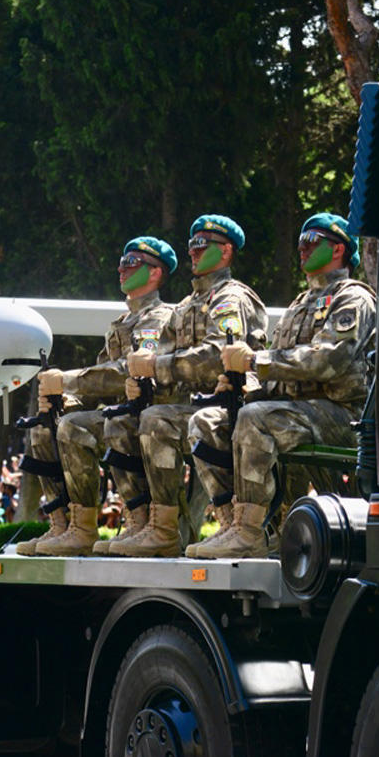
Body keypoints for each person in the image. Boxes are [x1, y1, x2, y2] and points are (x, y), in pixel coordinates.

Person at [187, 212, 377, 558]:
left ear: (338, 250)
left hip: (343, 416)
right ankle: (237, 522)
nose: (301, 249)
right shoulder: (300, 304)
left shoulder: (353, 299)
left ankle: (249, 530)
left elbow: (327, 361)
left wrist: (253, 362)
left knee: (257, 419)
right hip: (297, 413)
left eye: (310, 242)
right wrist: (245, 385)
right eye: (300, 243)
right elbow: (277, 368)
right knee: (207, 422)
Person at [105, 214, 267, 557]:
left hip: (232, 405)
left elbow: (216, 354)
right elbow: (155, 353)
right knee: (132, 420)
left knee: (181, 421)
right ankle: (158, 528)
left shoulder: (229, 299)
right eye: (191, 244)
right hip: (196, 404)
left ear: (225, 252)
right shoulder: (185, 306)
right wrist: (139, 380)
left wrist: (156, 367)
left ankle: (230, 524)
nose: (193, 252)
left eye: (201, 245)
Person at [19, 236, 177, 556]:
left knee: (74, 426)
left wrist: (66, 381)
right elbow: (100, 377)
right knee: (45, 426)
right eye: (121, 262)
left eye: (131, 263)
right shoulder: (122, 323)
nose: (121, 269)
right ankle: (68, 524)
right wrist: (65, 401)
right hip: (120, 412)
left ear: (155, 273)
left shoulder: (158, 318)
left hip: (150, 413)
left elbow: (125, 372)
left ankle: (139, 520)